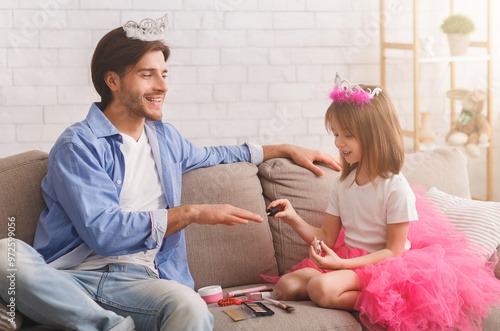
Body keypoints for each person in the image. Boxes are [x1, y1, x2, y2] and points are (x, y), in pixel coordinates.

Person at [0, 15, 341, 331]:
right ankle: (109, 325)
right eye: (147, 74)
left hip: (142, 281)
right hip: (71, 278)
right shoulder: (78, 145)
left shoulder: (166, 140)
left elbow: (219, 154)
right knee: (6, 256)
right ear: (113, 80)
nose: (162, 85)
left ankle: (49, 313)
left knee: (191, 308)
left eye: (164, 74)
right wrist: (189, 213)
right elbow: (103, 233)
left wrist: (283, 149)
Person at [264, 73, 500, 330]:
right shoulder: (342, 184)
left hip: (385, 266)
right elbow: (326, 238)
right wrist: (292, 218)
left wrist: (342, 266)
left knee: (321, 288)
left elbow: (394, 251)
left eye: (348, 135)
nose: (339, 142)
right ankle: (335, 281)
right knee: (285, 286)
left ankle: (387, 299)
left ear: (374, 135)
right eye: (336, 134)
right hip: (351, 261)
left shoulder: (395, 187)